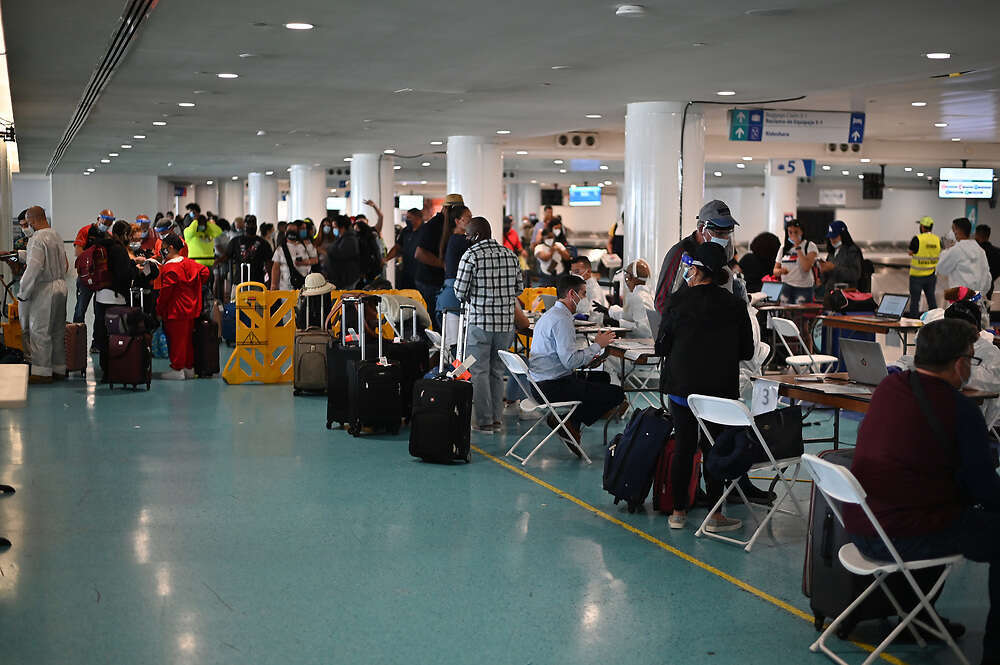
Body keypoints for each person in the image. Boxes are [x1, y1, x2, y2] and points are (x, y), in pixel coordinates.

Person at [844, 318, 1000, 663]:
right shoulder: (960, 410)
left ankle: (921, 618)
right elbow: (987, 492)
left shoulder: (889, 388)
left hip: (860, 526)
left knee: (941, 512)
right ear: (961, 363)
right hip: (901, 535)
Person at [656, 242, 753, 532]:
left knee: (685, 446)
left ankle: (678, 512)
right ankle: (715, 515)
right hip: (719, 392)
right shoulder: (735, 305)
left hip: (682, 390)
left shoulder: (676, 301)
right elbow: (747, 351)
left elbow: (662, 346)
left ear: (696, 271)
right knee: (715, 448)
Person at [528, 274, 625, 452]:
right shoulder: (562, 320)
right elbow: (570, 361)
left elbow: (564, 356)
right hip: (551, 386)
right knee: (617, 394)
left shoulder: (551, 314)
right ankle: (571, 421)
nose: (585, 299)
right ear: (572, 294)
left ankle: (573, 420)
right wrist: (597, 345)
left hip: (540, 381)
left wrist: (589, 358)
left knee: (602, 378)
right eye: (583, 293)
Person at [453, 217, 524, 433]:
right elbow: (519, 289)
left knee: (478, 372)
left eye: (467, 235)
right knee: (497, 371)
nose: (466, 239)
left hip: (480, 325)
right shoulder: (510, 255)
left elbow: (459, 292)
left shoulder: (471, 256)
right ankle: (496, 419)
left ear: (475, 235)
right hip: (505, 326)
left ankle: (484, 421)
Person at [93, 221, 157, 381]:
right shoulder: (118, 249)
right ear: (124, 234)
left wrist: (131, 263)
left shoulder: (104, 245)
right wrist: (135, 270)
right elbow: (122, 275)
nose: (130, 238)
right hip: (116, 298)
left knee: (103, 332)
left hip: (100, 296)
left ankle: (105, 369)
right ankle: (114, 369)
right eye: (128, 235)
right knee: (116, 334)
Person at [654, 200, 742, 315]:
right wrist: (675, 326)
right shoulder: (680, 253)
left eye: (727, 233)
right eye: (719, 233)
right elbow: (661, 301)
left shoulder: (726, 250)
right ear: (701, 229)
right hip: (685, 322)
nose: (725, 239)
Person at [16, 206, 68, 384]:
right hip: (60, 285)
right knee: (58, 331)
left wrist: (23, 292)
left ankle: (42, 371)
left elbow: (34, 268)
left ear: (33, 219)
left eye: (27, 223)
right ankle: (59, 368)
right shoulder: (56, 235)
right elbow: (64, 263)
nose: (27, 226)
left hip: (44, 289)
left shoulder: (36, 238)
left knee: (40, 330)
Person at [156, 234, 209, 380]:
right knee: (186, 341)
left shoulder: (170, 268)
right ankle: (188, 368)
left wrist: (159, 309)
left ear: (170, 247)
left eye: (163, 247)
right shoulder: (189, 263)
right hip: (191, 308)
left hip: (175, 310)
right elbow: (205, 272)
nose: (162, 250)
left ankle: (177, 369)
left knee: (176, 341)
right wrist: (194, 286)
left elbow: (165, 293)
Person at [415, 194, 465, 324]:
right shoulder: (433, 225)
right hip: (429, 281)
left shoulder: (451, 226)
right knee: (434, 321)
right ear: (449, 209)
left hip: (443, 282)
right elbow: (419, 253)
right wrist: (444, 264)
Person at [72, 208, 115, 329]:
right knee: (80, 310)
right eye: (105, 221)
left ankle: (97, 343)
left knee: (100, 312)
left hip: (101, 280)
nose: (106, 225)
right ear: (98, 218)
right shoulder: (85, 231)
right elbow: (78, 252)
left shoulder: (108, 236)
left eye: (109, 223)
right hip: (86, 279)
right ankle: (77, 338)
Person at [435, 204, 472, 336]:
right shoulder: (462, 241)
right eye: (468, 218)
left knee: (452, 345)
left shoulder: (452, 239)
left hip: (449, 296)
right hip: (454, 298)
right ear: (457, 221)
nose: (471, 221)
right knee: (455, 346)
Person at [937, 217, 993, 296]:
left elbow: (941, 269)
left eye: (953, 229)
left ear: (957, 231)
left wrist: (946, 250)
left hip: (960, 300)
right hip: (977, 300)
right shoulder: (980, 251)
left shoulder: (956, 250)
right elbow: (987, 278)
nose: (951, 232)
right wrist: (980, 295)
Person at [773, 221, 818, 304]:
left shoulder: (810, 246)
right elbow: (775, 270)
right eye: (790, 232)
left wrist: (797, 247)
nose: (793, 235)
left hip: (803, 287)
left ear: (802, 232)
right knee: (785, 315)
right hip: (786, 286)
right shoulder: (783, 248)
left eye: (796, 232)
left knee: (801, 315)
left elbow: (806, 267)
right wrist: (780, 271)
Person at [609, 259, 655, 338]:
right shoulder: (644, 294)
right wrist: (610, 311)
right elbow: (629, 316)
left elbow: (645, 331)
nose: (626, 282)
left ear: (631, 278)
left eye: (627, 278)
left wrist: (620, 323)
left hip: (640, 345)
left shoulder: (638, 297)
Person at [816, 220, 863, 296]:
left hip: (846, 294)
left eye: (835, 237)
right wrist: (823, 272)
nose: (832, 240)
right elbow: (826, 278)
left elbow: (855, 274)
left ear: (843, 235)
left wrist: (834, 268)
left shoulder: (852, 250)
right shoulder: (832, 252)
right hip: (830, 293)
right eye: (830, 237)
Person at [907, 216, 941, 317]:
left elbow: (910, 252)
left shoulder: (917, 239)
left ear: (922, 227)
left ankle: (913, 325)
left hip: (917, 276)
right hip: (931, 275)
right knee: (931, 301)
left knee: (915, 302)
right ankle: (935, 322)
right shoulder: (937, 239)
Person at [224, 215, 271, 285]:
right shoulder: (236, 241)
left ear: (256, 225)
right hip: (239, 282)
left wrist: (270, 279)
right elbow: (226, 256)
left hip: (257, 282)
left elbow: (268, 262)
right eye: (248, 223)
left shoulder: (263, 243)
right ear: (244, 225)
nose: (251, 226)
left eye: (253, 223)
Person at [271, 220, 317, 291]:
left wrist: (304, 262)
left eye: (294, 230)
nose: (292, 231)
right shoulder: (280, 249)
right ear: (285, 232)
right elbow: (275, 268)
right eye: (290, 230)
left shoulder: (306, 245)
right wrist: (273, 285)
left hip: (305, 287)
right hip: (286, 289)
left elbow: (315, 260)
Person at [385, 208, 423, 290]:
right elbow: (397, 248)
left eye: (409, 218)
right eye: (407, 217)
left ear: (418, 218)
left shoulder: (426, 231)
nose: (407, 220)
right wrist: (386, 259)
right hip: (406, 273)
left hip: (421, 275)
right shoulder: (405, 231)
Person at [326, 215, 361, 289]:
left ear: (342, 227)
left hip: (347, 278)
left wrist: (328, 250)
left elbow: (340, 255)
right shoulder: (342, 238)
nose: (333, 229)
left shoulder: (350, 239)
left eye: (335, 227)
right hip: (341, 278)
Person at [569, 256, 607, 322]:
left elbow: (596, 315)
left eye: (577, 272)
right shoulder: (579, 286)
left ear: (588, 271)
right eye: (572, 272)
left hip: (591, 329)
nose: (574, 275)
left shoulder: (594, 290)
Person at [976, 224, 1000, 299]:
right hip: (989, 286)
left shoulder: (975, 251)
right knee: (986, 307)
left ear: (977, 235)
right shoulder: (997, 252)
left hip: (974, 286)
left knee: (972, 308)